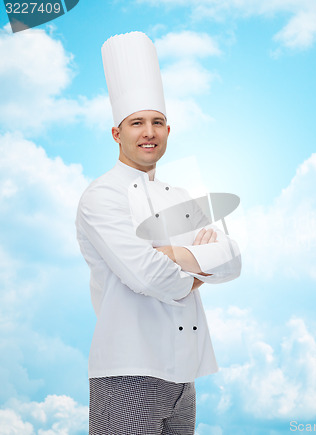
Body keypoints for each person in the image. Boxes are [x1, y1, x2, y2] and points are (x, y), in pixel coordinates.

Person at [75, 32, 241, 435]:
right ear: (117, 133)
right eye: (137, 123)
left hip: (185, 374)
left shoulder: (181, 193)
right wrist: (201, 269)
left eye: (157, 122)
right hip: (128, 370)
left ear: (168, 131)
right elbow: (147, 275)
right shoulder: (102, 196)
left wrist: (176, 256)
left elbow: (234, 258)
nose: (148, 132)